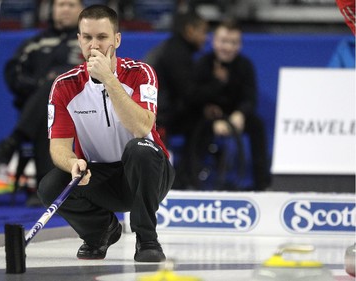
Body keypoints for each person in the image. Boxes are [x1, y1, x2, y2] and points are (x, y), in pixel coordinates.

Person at [37, 5, 175, 262]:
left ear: (117, 40)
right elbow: (58, 146)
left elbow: (142, 127)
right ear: (79, 39)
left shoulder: (140, 73)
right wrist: (72, 163)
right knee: (50, 186)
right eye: (87, 38)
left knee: (138, 148)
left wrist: (109, 80)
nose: (94, 46)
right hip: (99, 175)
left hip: (149, 171)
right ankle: (100, 231)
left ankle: (147, 239)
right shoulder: (64, 86)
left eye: (102, 37)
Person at [0, 0, 84, 203]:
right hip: (42, 110)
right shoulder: (34, 43)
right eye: (61, 5)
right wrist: (39, 85)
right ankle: (47, 189)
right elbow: (15, 74)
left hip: (79, 107)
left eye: (71, 5)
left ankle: (13, 142)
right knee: (49, 104)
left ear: (81, 10)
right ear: (52, 10)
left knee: (55, 87)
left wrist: (51, 83)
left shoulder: (85, 40)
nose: (65, 9)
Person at [187, 20, 270, 191]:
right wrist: (210, 109)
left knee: (257, 125)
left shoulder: (245, 66)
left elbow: (250, 98)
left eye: (233, 42)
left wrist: (240, 114)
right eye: (224, 41)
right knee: (193, 125)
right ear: (214, 41)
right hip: (208, 118)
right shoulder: (202, 64)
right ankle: (190, 182)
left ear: (239, 44)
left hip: (236, 117)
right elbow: (193, 97)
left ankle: (262, 185)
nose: (228, 47)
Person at [145, 11, 208, 188]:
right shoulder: (176, 52)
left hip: (162, 110)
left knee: (197, 119)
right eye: (202, 32)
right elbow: (188, 93)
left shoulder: (174, 48)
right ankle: (184, 180)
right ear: (190, 30)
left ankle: (184, 177)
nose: (206, 38)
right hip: (159, 115)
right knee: (203, 123)